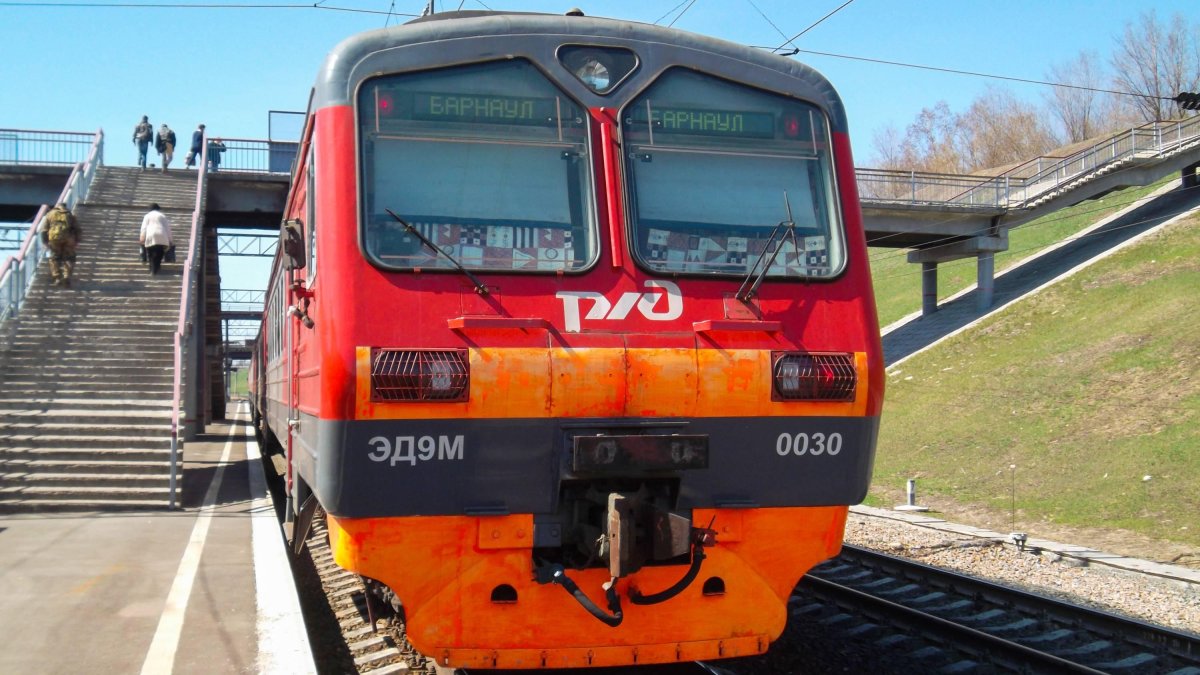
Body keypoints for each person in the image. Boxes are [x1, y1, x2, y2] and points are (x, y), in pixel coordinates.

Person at [37, 202, 82, 287]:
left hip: (54, 239)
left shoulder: (50, 214)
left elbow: (44, 230)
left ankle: (57, 277)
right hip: (69, 239)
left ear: (57, 206)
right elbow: (77, 229)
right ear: (65, 207)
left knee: (54, 257)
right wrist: (77, 241)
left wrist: (45, 242)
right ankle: (66, 276)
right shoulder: (70, 215)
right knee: (69, 258)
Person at [139, 203, 173, 276]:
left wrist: (142, 237)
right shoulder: (162, 216)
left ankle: (152, 269)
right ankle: (156, 267)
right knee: (159, 253)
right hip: (161, 235)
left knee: (150, 253)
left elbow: (144, 228)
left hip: (150, 235)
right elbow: (168, 229)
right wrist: (170, 240)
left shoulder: (147, 216)